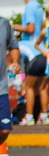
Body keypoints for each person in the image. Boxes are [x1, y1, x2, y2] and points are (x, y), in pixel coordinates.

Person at [13, 0, 45, 124]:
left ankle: (30, 116)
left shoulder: (29, 7)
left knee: (29, 87)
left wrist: (14, 26)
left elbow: (31, 29)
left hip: (32, 51)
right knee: (41, 87)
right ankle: (43, 115)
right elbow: (41, 26)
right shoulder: (38, 6)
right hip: (42, 50)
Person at [0, 16, 20, 146]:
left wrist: (15, 61)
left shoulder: (3, 23)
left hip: (1, 87)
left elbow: (13, 45)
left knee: (5, 129)